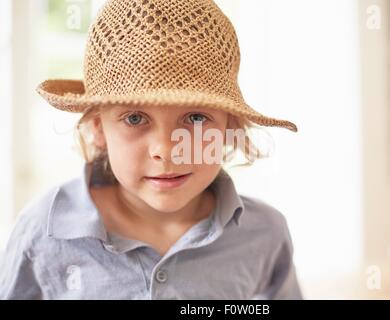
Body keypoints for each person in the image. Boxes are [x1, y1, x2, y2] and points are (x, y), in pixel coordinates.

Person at [0, 0, 301, 299]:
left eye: (195, 118)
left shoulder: (265, 235)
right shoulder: (42, 232)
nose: (166, 150)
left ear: (229, 126)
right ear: (98, 128)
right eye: (134, 118)